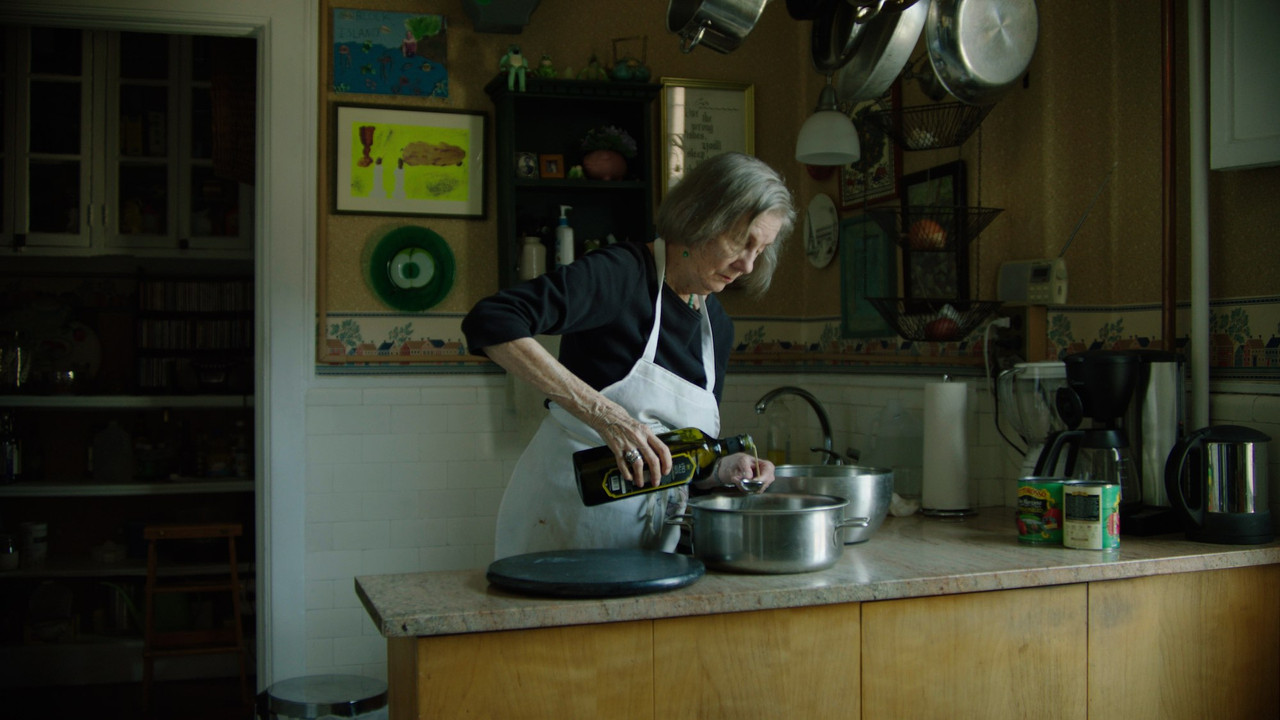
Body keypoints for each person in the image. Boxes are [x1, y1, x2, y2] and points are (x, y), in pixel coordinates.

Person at [462, 152, 796, 559]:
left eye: (760, 250)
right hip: (566, 527)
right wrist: (606, 415)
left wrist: (721, 469)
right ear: (697, 219)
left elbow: (681, 455)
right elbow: (491, 320)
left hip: (650, 546)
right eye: (739, 242)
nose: (747, 265)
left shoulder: (717, 327)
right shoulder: (621, 274)